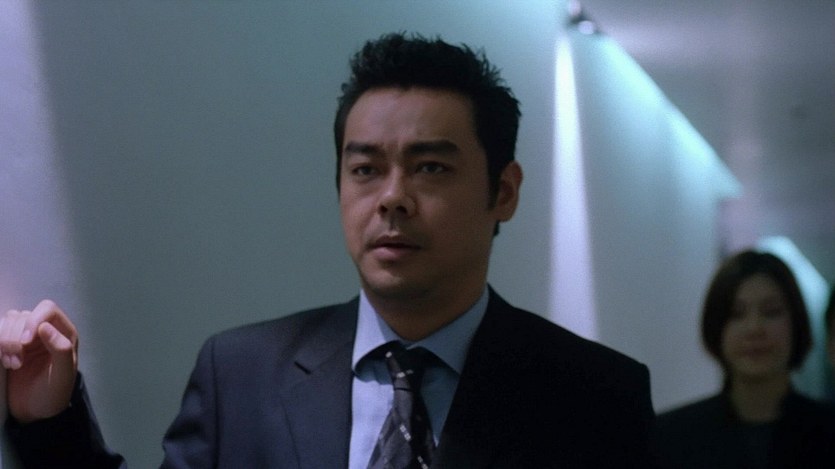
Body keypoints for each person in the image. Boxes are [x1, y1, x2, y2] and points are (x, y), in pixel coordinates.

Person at [1, 32, 655, 468]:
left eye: (430, 167)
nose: (392, 198)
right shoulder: (241, 375)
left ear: (503, 191)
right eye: (365, 169)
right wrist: (46, 420)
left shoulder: (594, 395)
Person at [654, 249, 835, 468]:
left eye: (771, 312)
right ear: (716, 326)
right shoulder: (671, 436)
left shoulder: (828, 430)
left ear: (796, 322)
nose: (754, 328)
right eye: (736, 314)